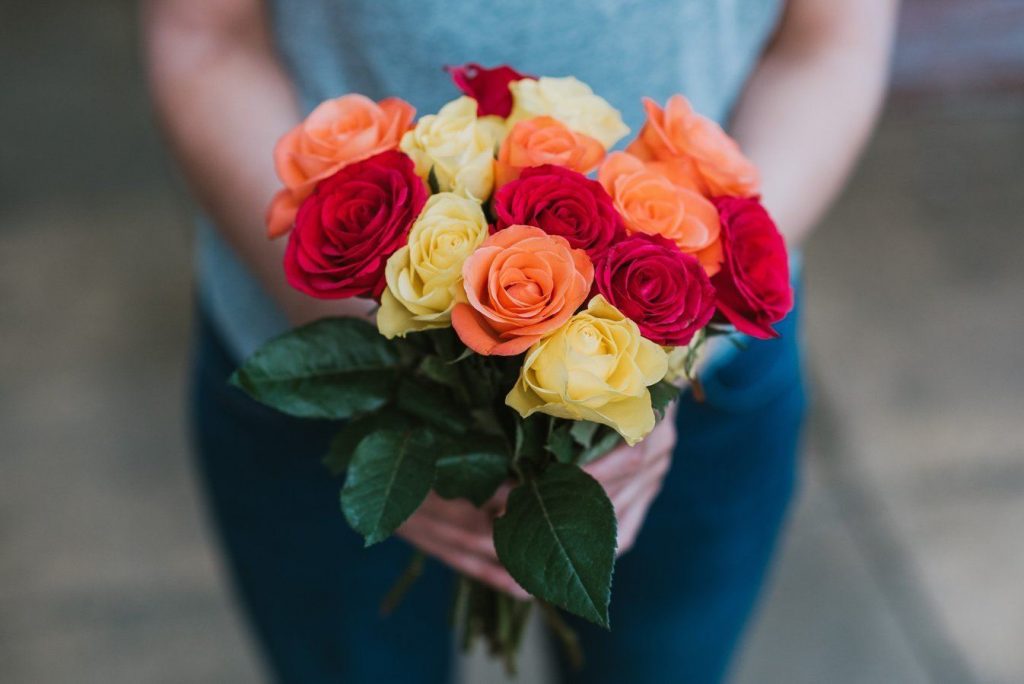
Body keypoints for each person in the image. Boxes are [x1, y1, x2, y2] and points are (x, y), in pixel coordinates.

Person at [143, 0, 897, 681]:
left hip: (708, 384)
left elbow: (829, 40)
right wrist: (409, 386)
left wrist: (658, 358)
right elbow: (203, 35)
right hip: (312, 352)